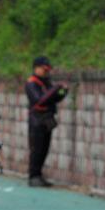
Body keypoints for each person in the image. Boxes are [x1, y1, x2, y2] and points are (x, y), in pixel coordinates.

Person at [25, 56, 67, 187]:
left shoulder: (46, 82)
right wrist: (54, 89)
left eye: (47, 70)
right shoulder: (32, 82)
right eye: (44, 69)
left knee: (45, 148)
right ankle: (33, 176)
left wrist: (62, 92)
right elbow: (39, 100)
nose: (46, 72)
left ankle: (39, 175)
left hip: (47, 119)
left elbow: (52, 99)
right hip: (37, 120)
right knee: (36, 149)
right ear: (36, 68)